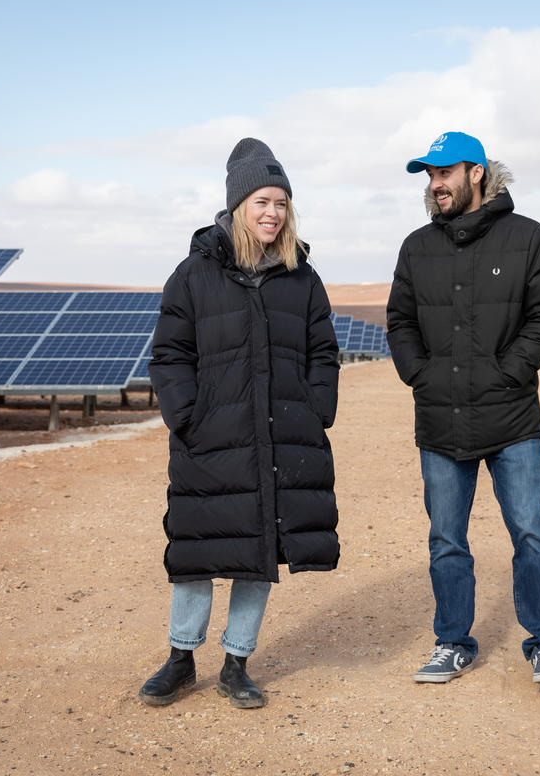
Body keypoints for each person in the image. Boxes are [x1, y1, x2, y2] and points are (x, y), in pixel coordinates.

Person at [139, 138, 340, 709]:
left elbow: (323, 350)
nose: (273, 212)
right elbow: (170, 353)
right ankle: (181, 658)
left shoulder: (302, 276)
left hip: (282, 432)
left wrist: (316, 407)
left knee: (261, 546)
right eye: (262, 201)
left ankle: (237, 662)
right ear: (237, 206)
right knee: (198, 542)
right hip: (212, 432)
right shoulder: (194, 274)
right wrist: (185, 415)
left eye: (281, 201)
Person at [386, 131, 540, 686]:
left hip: (511, 417)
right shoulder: (417, 246)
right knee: (446, 539)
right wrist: (419, 373)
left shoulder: (528, 237)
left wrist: (509, 370)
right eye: (429, 175)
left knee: (531, 532)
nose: (434, 184)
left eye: (444, 173)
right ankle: (453, 641)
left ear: (476, 173)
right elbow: (400, 320)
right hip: (441, 419)